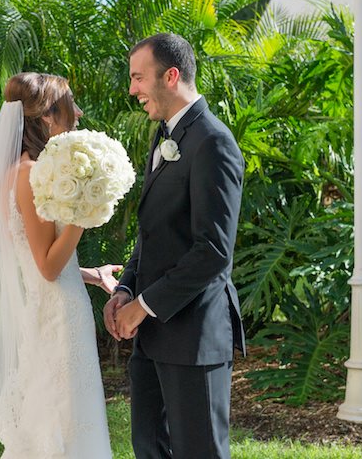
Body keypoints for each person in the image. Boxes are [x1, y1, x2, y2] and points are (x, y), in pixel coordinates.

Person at [103, 33, 246, 459]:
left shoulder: (213, 142)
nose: (132, 90)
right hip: (152, 337)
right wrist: (126, 288)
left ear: (171, 75)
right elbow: (155, 233)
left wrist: (142, 305)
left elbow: (213, 251)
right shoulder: (166, 135)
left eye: (138, 78)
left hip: (193, 337)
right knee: (150, 448)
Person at [0, 72, 119, 459]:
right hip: (59, 318)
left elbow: (33, 261)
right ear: (46, 117)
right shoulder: (29, 175)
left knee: (61, 416)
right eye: (69, 105)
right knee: (64, 421)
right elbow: (47, 267)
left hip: (53, 309)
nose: (77, 112)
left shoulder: (22, 170)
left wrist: (91, 275)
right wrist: (83, 209)